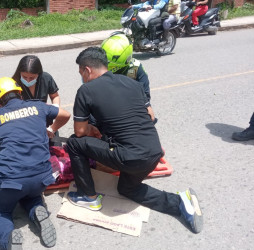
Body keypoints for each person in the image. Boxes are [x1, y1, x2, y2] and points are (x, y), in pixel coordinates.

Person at [65, 47, 203, 234]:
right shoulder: (131, 83)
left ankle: (88, 197)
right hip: (154, 153)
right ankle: (179, 202)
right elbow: (150, 115)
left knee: (74, 143)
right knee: (126, 188)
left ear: (87, 70)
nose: (81, 76)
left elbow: (80, 132)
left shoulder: (86, 90)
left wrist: (92, 128)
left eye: (81, 72)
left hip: (130, 157)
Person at [0, 77, 70, 249]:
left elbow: (0, 147)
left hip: (11, 180)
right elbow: (66, 114)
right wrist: (50, 130)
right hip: (42, 178)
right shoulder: (38, 106)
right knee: (30, 195)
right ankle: (37, 210)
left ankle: (7, 238)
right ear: (20, 94)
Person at [101, 33, 155, 122]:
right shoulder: (97, 68)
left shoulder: (135, 68)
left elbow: (145, 96)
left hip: (131, 109)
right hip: (107, 107)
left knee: (148, 119)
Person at [12, 55, 61, 139]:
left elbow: (55, 96)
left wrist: (55, 107)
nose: (28, 80)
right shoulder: (13, 84)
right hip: (25, 129)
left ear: (39, 74)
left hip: (47, 126)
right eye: (24, 77)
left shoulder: (46, 78)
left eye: (32, 78)